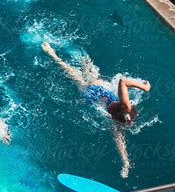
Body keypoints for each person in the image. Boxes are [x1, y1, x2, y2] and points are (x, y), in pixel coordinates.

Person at [41, 41, 151, 177]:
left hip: (100, 86)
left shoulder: (125, 104)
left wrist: (143, 86)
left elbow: (123, 81)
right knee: (74, 74)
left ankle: (58, 52)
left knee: (86, 66)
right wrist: (126, 163)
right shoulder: (114, 122)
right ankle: (53, 55)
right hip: (89, 93)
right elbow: (119, 141)